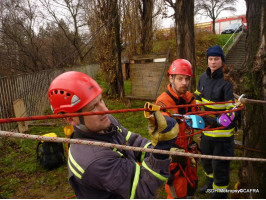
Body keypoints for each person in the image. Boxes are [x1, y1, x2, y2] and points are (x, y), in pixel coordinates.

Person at [47, 71, 179, 199]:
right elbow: (141, 190)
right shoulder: (94, 161)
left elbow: (131, 140)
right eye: (93, 107)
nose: (105, 110)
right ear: (70, 119)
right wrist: (161, 152)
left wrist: (154, 150)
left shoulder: (104, 122)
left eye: (101, 100)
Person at [194, 45, 236, 199]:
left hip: (222, 135)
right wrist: (197, 113)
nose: (213, 62)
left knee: (220, 166)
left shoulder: (227, 82)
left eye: (216, 59)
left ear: (222, 61)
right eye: (210, 59)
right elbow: (198, 96)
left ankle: (219, 193)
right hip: (206, 131)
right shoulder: (203, 77)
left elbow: (231, 113)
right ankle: (210, 184)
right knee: (206, 161)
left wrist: (214, 121)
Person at [155, 59, 199, 199]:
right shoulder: (163, 102)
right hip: (175, 155)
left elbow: (197, 120)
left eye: (187, 79)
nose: (184, 83)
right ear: (171, 78)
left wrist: (209, 121)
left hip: (189, 151)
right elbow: (161, 129)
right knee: (177, 191)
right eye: (180, 78)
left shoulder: (190, 99)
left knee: (192, 184)